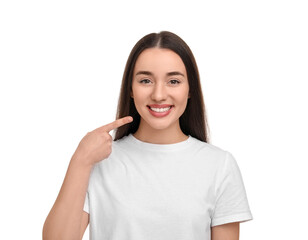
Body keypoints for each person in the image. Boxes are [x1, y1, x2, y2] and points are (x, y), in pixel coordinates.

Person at [43, 31, 253, 240]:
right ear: (131, 89)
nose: (159, 95)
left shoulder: (219, 165)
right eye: (145, 81)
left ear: (190, 89)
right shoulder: (100, 162)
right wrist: (80, 160)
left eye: (173, 81)